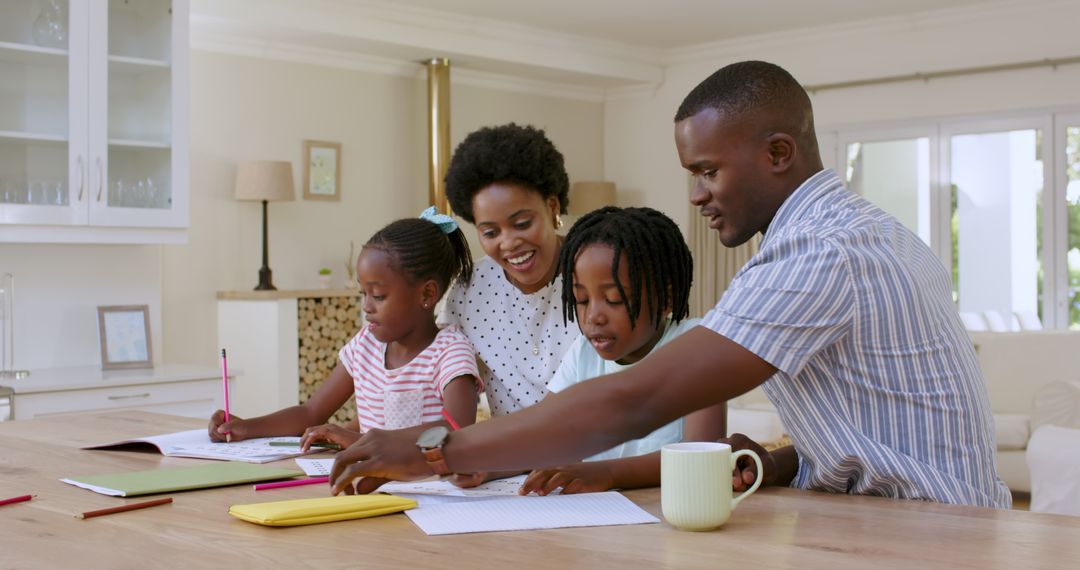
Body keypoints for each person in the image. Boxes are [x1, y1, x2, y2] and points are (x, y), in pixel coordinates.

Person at [329, 61, 1010, 509]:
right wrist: (775, 462)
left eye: (708, 171)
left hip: (933, 536)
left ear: (779, 153)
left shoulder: (823, 254)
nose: (697, 195)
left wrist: (436, 447)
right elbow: (882, 418)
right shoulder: (863, 232)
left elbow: (640, 396)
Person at [208, 208, 482, 451]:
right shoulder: (365, 346)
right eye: (363, 293)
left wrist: (362, 440)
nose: (366, 306)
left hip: (429, 492)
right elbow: (311, 411)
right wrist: (246, 427)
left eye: (378, 296)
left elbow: (456, 429)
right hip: (368, 483)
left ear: (427, 294)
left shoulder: (450, 353)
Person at [519, 206, 727, 496]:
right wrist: (487, 464)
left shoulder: (697, 345)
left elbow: (703, 456)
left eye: (613, 299)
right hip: (598, 523)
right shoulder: (583, 355)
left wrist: (605, 474)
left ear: (665, 299)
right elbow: (543, 434)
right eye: (581, 299)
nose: (593, 316)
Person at [438, 123, 580, 418]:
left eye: (522, 223)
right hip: (510, 460)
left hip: (597, 459)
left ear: (552, 206)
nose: (509, 243)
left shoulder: (596, 272)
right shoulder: (468, 290)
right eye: (490, 233)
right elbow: (444, 384)